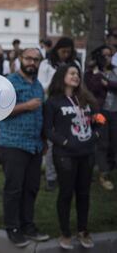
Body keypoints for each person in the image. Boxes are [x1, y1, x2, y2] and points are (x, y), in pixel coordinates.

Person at [44, 64, 101, 250]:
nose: (76, 76)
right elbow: (47, 130)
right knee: (66, 193)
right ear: (62, 76)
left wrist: (96, 134)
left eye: (77, 73)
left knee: (84, 194)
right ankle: (65, 232)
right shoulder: (53, 102)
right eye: (72, 73)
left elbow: (98, 120)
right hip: (65, 156)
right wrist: (66, 143)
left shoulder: (85, 99)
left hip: (87, 154)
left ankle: (83, 230)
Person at [0, 48, 49, 247]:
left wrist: (43, 141)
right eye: (28, 58)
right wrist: (25, 106)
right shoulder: (9, 82)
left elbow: (41, 115)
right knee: (14, 189)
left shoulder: (38, 85)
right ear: (20, 59)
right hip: (13, 144)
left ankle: (28, 225)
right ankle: (13, 228)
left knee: (31, 189)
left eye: (36, 60)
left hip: (34, 146)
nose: (32, 63)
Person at [38, 37, 81, 191]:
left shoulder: (74, 64)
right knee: (52, 141)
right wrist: (57, 79)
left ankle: (71, 174)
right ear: (57, 50)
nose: (65, 55)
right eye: (63, 51)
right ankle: (51, 176)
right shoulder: (47, 64)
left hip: (71, 105)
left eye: (68, 52)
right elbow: (41, 85)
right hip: (53, 104)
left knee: (73, 138)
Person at [84, 45, 117, 191]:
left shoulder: (114, 71)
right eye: (104, 55)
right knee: (102, 143)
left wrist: (108, 84)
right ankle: (103, 174)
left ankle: (108, 169)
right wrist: (99, 77)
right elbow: (92, 87)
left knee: (113, 144)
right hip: (100, 112)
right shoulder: (91, 73)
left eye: (110, 55)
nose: (108, 58)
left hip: (114, 113)